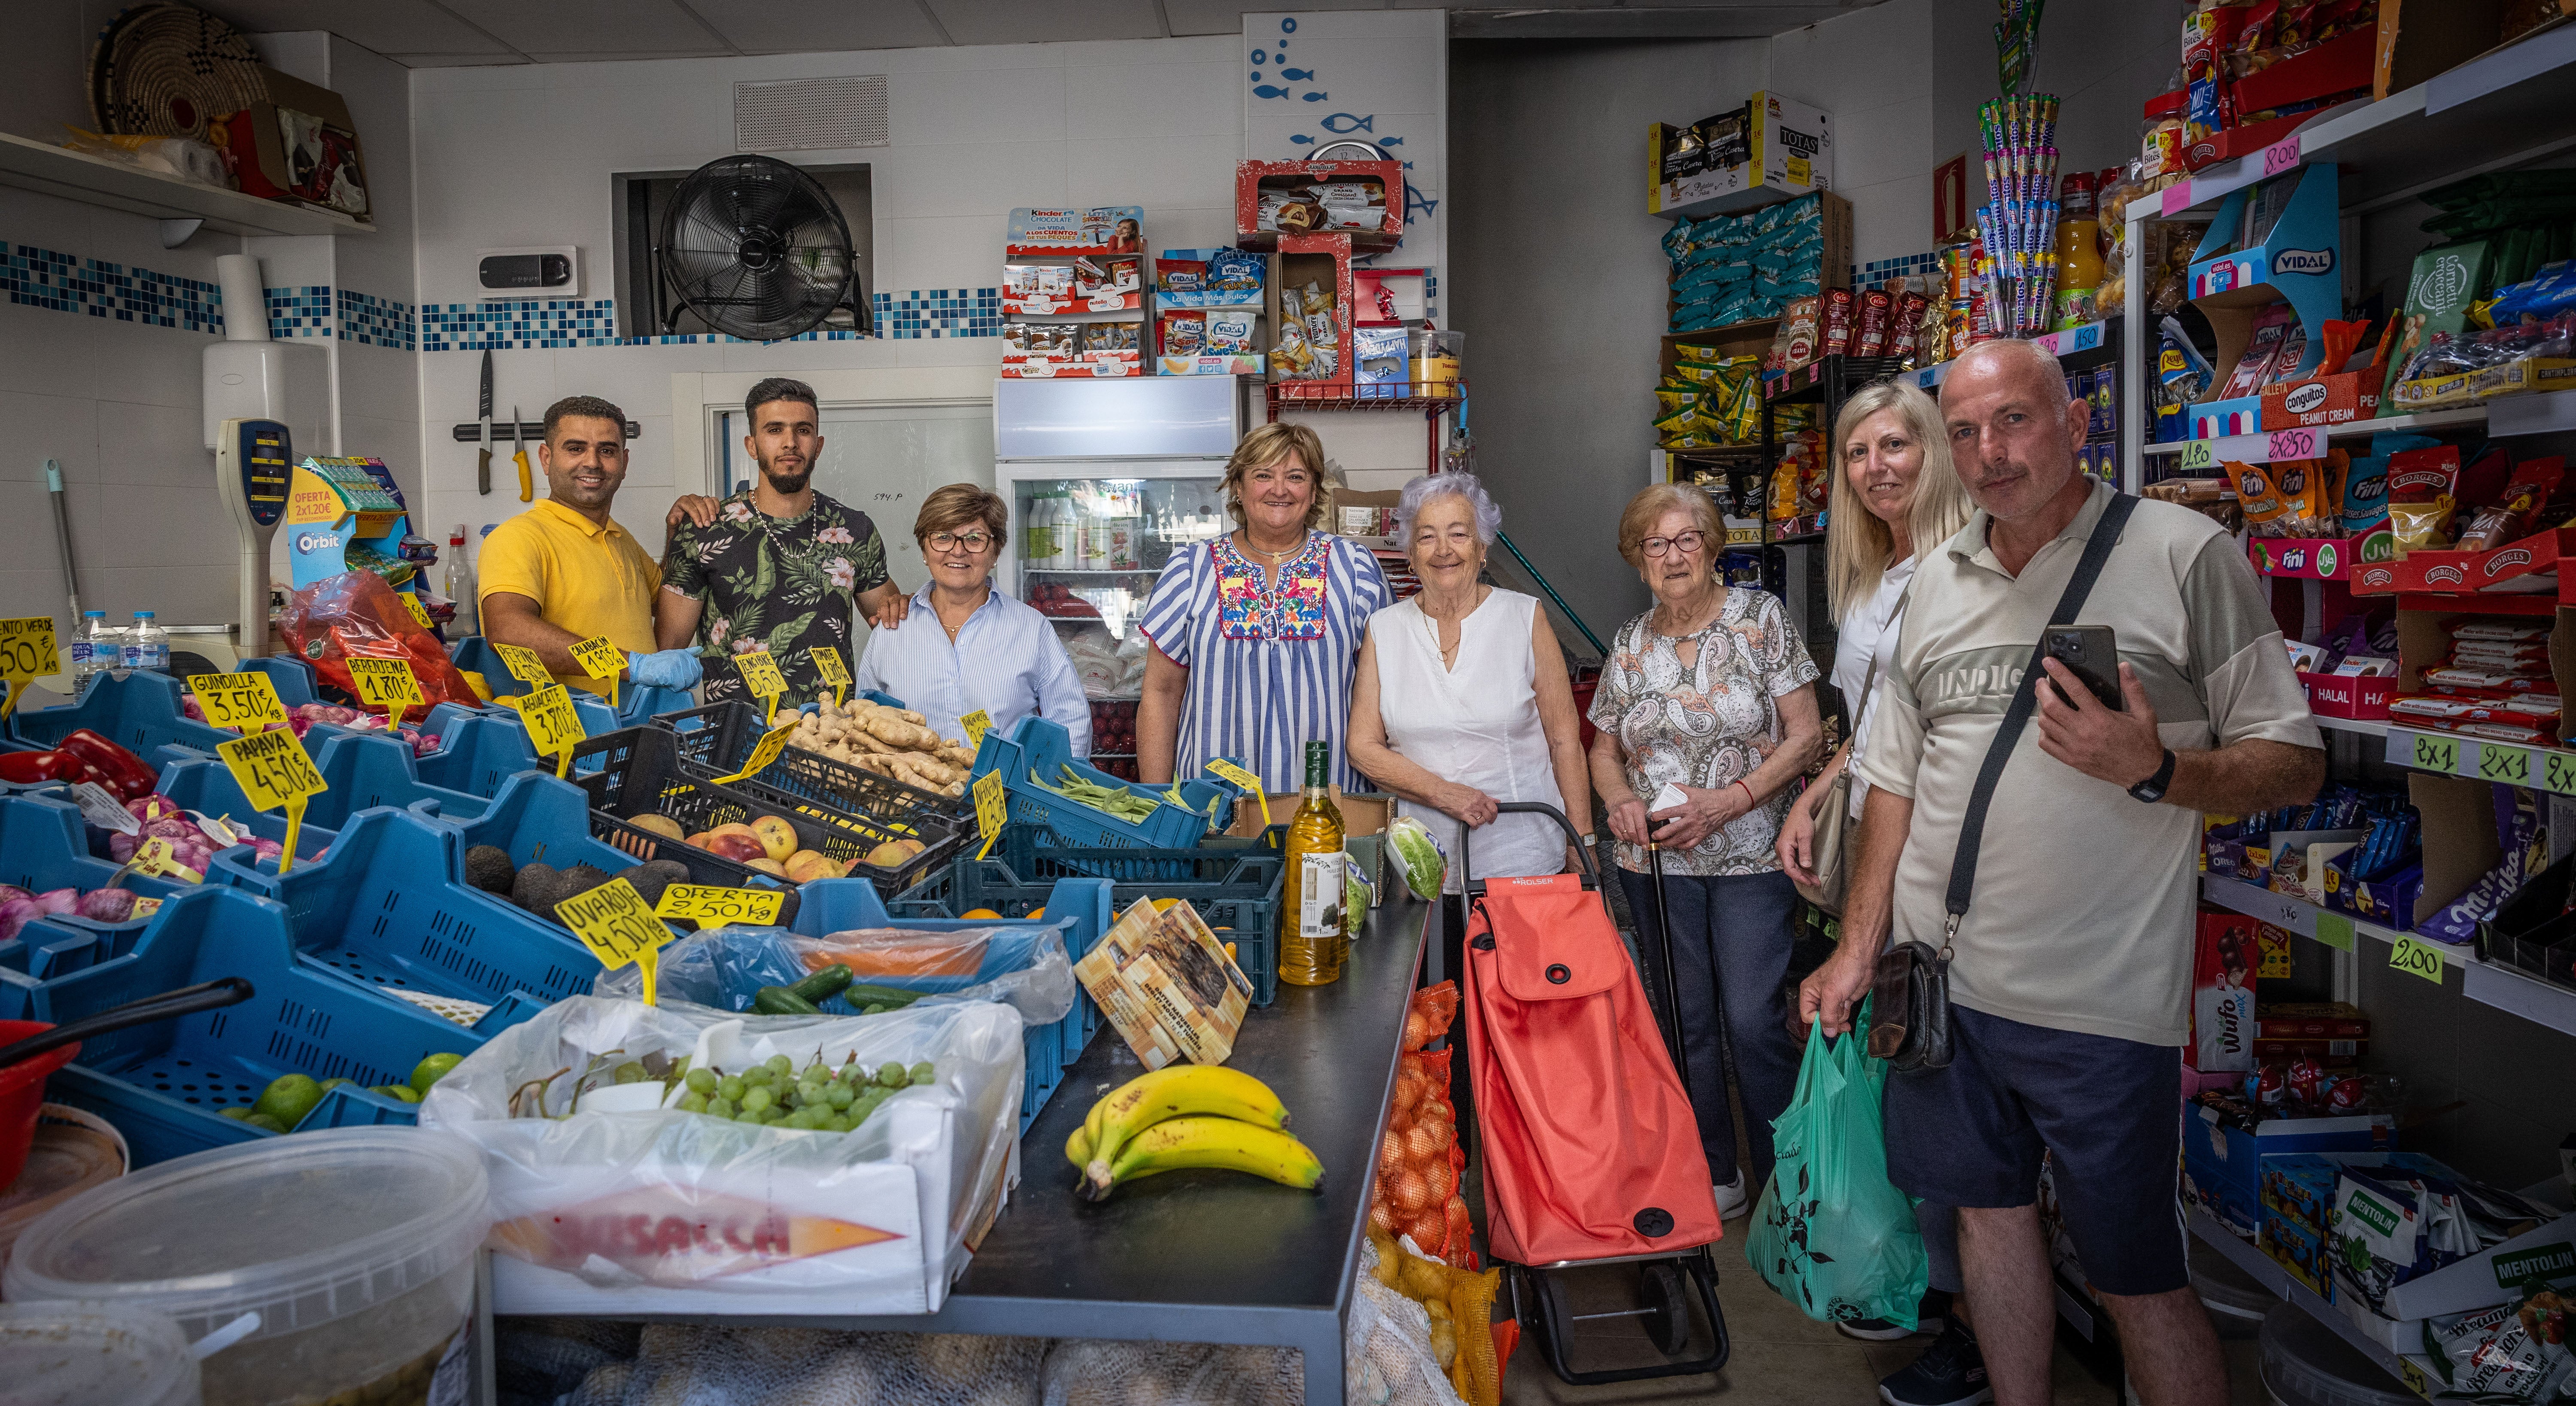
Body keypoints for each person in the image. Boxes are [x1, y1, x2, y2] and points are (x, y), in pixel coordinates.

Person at [1801, 338, 2325, 1406]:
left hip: (2098, 1006)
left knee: (2137, 1274)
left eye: (2015, 420)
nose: (1989, 452)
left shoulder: (2182, 552)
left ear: (2076, 420)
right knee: (1988, 1222)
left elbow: (2294, 761)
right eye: (1965, 431)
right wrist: (1858, 947)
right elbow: (1894, 782)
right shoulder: (1937, 581)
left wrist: (2160, 766)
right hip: (1944, 987)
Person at [1770, 380, 1986, 1399]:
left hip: (1942, 862)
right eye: (1858, 451)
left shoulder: (1975, 560)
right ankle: (1923, 1283)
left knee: (1942, 1075)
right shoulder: (1871, 575)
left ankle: (1971, 1319)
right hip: (1875, 852)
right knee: (1897, 1066)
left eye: (1896, 444)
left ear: (1937, 449)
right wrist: (1812, 794)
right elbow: (1871, 734)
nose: (1876, 466)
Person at [1587, 482, 1823, 1220]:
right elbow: (1603, 747)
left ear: (1714, 544)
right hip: (1658, 863)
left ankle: (1790, 1178)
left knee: (1752, 1017)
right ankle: (1716, 1167)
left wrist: (1734, 798)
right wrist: (1619, 799)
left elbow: (1808, 734)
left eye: (1687, 538)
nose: (1673, 555)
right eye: (1655, 544)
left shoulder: (1762, 619)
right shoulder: (1631, 640)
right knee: (1684, 1015)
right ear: (1638, 558)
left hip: (1752, 850)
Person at [1346, 472, 1591, 985]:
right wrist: (1444, 794)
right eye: (1427, 535)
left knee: (1527, 1006)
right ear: (1410, 552)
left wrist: (1582, 842)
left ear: (1482, 548)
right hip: (1420, 865)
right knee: (1438, 1014)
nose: (1444, 550)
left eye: (1459, 533)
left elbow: (1566, 739)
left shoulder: (1525, 617)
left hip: (1522, 854)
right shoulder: (1385, 631)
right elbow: (1363, 747)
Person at [1137, 422, 1391, 792]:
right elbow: (1161, 694)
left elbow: (1384, 696)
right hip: (1213, 806)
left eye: (1295, 476)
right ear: (1238, 487)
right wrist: (1158, 802)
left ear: (1315, 488)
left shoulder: (1355, 568)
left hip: (1331, 805)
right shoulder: (1190, 569)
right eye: (1263, 475)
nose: (1280, 489)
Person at [659, 377, 908, 706]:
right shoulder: (706, 531)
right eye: (775, 430)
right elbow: (668, 650)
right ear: (752, 445)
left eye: (802, 431)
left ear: (818, 445)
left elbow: (896, 627)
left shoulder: (853, 529)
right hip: (736, 737)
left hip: (832, 736)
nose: (790, 443)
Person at [478, 395, 702, 696]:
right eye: (575, 449)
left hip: (635, 727)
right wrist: (630, 666)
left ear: (624, 463)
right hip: (572, 735)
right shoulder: (519, 537)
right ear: (546, 458)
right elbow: (508, 631)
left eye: (606, 451)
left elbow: (666, 603)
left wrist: (677, 535)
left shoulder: (621, 538)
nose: (593, 462)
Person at [852, 483, 1091, 754]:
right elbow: (865, 721)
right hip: (913, 793)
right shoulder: (893, 628)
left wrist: (1050, 789)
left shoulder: (1031, 628)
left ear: (996, 552)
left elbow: (1071, 722)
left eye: (975, 538)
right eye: (943, 537)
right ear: (924, 550)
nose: (958, 550)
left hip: (1007, 793)